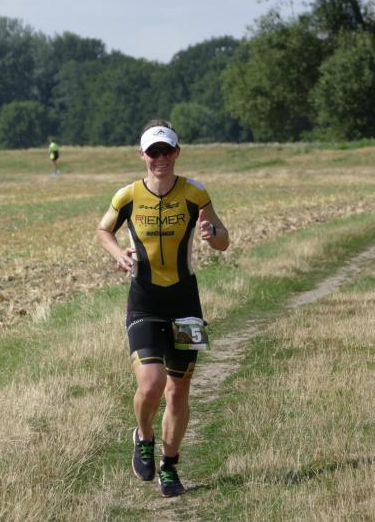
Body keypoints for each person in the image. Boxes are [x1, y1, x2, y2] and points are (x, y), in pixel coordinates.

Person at [96, 120, 230, 497]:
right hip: (144, 300)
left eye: (166, 150)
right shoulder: (127, 196)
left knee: (178, 390)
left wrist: (212, 235)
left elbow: (224, 240)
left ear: (177, 152)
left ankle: (169, 466)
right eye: (153, 152)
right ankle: (143, 436)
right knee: (152, 384)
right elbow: (103, 230)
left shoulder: (195, 193)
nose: (160, 158)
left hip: (186, 302)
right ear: (142, 155)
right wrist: (117, 253)